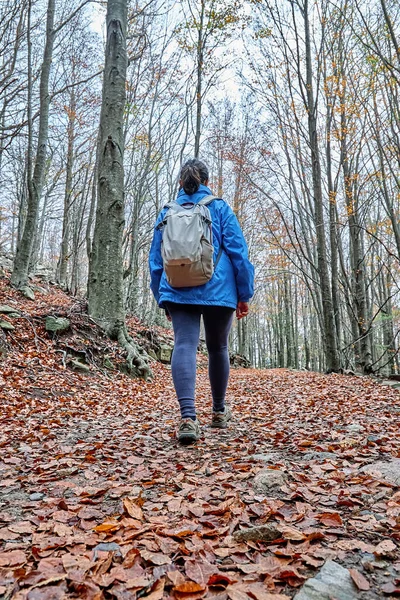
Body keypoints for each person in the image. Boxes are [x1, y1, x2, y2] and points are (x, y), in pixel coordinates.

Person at [149, 158, 254, 444]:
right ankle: (219, 412)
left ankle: (188, 418)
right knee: (218, 347)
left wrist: (162, 296)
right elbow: (238, 253)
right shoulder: (219, 207)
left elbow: (156, 260)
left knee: (184, 344)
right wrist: (244, 294)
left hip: (178, 289)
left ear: (180, 183)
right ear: (207, 182)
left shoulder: (167, 211)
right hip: (219, 290)